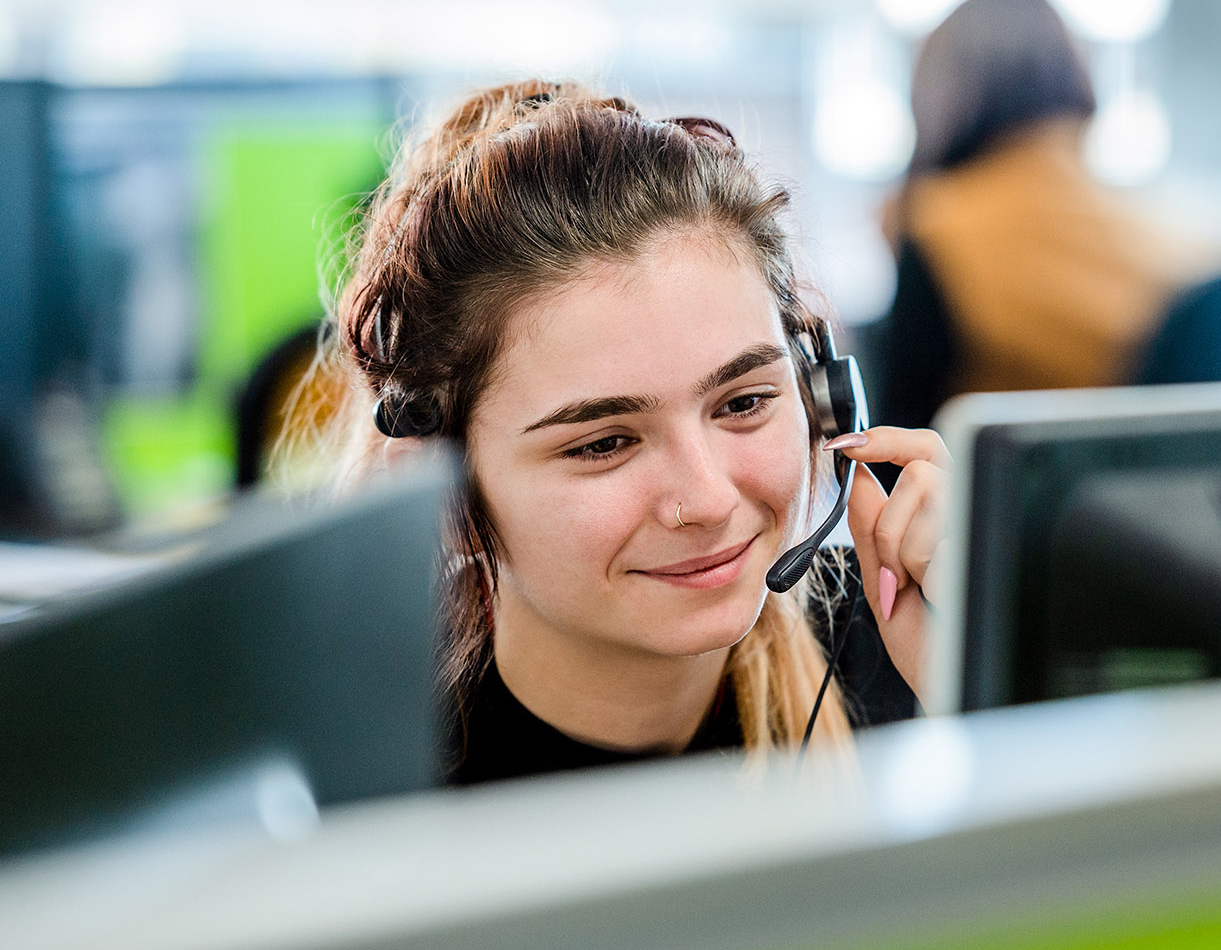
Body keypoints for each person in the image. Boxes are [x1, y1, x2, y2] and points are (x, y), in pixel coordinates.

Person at [319, 80, 948, 783]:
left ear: (821, 398)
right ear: (445, 484)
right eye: (602, 443)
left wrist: (975, 704)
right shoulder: (351, 789)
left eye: (742, 403)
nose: (707, 500)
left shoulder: (907, 657)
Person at [881, 0, 1221, 431]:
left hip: (1013, 490)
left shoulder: (935, 225)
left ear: (940, 90)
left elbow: (896, 444)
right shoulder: (1175, 232)